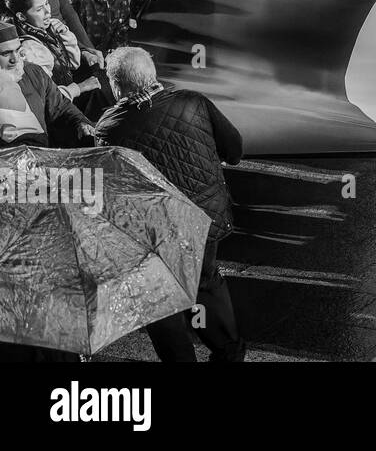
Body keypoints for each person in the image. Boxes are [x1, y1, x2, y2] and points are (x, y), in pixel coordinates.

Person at [93, 47, 246, 361]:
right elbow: (234, 147)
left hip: (151, 231)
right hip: (203, 219)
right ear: (153, 75)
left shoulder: (109, 127)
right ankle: (228, 350)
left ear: (115, 86)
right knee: (204, 282)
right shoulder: (193, 102)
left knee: (158, 299)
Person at [0, 20, 96, 148]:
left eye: (17, 51)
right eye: (6, 54)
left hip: (39, 158)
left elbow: (60, 108)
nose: (15, 59)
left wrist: (79, 123)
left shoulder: (34, 72)